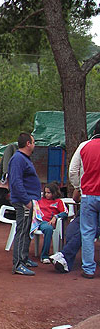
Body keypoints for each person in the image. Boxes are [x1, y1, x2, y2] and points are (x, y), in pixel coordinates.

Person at [69, 120, 100, 279]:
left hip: (88, 195)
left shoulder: (84, 146)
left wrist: (78, 187)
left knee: (87, 233)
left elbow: (73, 170)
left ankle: (88, 269)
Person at [8, 132, 41, 276]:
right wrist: (26, 201)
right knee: (21, 231)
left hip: (29, 201)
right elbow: (15, 182)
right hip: (23, 202)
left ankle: (24, 258)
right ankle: (18, 264)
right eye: (33, 142)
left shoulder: (24, 159)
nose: (34, 145)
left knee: (27, 230)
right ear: (28, 143)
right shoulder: (18, 159)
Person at [31, 182, 67, 263]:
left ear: (54, 193)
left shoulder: (59, 202)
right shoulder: (40, 200)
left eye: (49, 193)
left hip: (47, 223)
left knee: (48, 228)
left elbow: (65, 212)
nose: (46, 195)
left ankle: (44, 256)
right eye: (45, 192)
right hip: (37, 221)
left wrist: (56, 217)